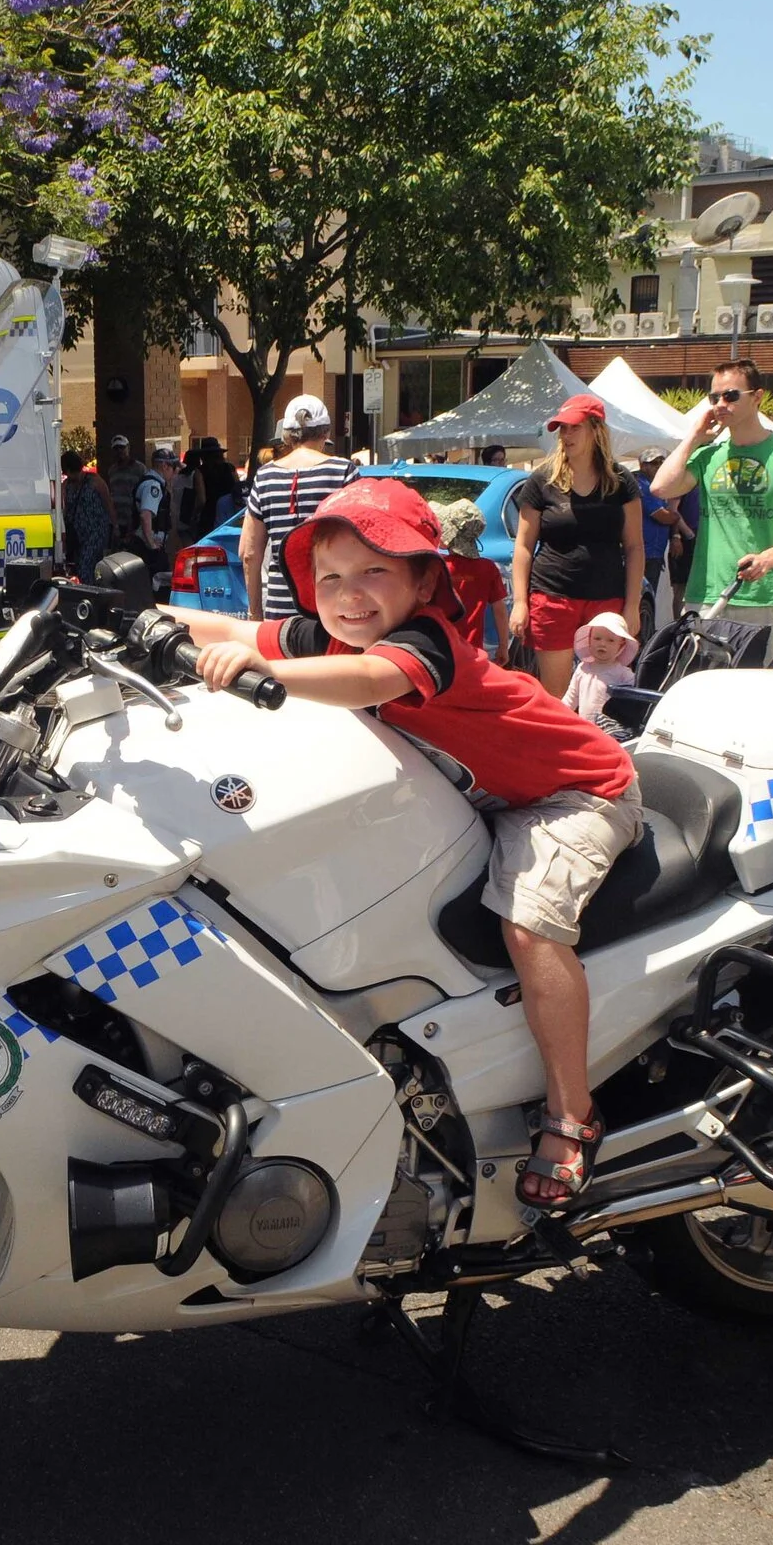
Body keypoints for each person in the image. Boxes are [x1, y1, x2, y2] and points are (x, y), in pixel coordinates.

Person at [172, 478, 642, 1211]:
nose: (348, 594)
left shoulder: (423, 643)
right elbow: (232, 631)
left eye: (374, 572)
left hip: (570, 793)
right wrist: (130, 617)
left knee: (528, 921)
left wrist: (268, 673)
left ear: (425, 580)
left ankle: (571, 1113)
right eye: (329, 577)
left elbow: (365, 679)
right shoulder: (330, 634)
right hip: (479, 794)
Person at [651, 359, 773, 659]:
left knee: (759, 693)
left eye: (730, 396)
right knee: (703, 687)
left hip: (767, 598)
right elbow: (660, 488)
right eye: (714, 397)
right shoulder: (708, 456)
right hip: (707, 594)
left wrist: (767, 559)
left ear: (757, 397)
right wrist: (693, 437)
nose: (720, 404)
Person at [506, 393, 645, 696]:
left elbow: (634, 547)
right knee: (555, 695)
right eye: (562, 429)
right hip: (553, 595)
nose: (566, 436)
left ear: (596, 430)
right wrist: (519, 602)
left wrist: (632, 605)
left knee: (602, 690)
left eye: (574, 428)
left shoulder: (621, 481)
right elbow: (524, 546)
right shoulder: (542, 480)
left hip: (606, 599)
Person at [241, 393, 358, 620]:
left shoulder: (265, 476)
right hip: (333, 610)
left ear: (286, 436)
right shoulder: (343, 471)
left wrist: (254, 613)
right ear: (326, 432)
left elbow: (249, 553)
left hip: (279, 613)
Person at [634, 447, 691, 621]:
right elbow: (664, 517)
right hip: (642, 552)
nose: (659, 466)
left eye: (661, 462)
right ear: (643, 466)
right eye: (654, 463)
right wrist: (674, 515)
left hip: (655, 553)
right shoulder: (641, 485)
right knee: (640, 600)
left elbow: (670, 515)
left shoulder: (660, 487)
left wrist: (675, 531)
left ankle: (644, 635)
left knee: (649, 597)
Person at [564, 611, 638, 724]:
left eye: (610, 640)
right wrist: (560, 714)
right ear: (589, 640)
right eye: (597, 639)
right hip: (586, 726)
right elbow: (571, 697)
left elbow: (634, 702)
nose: (602, 644)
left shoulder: (623, 674)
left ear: (621, 646)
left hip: (611, 729)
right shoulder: (583, 669)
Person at [61, 450, 112, 581]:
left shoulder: (95, 481)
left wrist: (115, 526)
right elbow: (63, 508)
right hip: (77, 534)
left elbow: (108, 503)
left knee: (86, 564)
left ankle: (88, 592)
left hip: (95, 532)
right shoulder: (66, 485)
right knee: (79, 565)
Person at [127, 445, 177, 567]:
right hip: (147, 547)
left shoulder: (152, 482)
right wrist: (151, 544)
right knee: (159, 581)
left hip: (147, 544)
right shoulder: (153, 485)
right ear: (165, 466)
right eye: (173, 467)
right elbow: (145, 515)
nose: (174, 472)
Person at [99, 434, 149, 548]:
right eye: (116, 448)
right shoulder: (112, 470)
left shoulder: (139, 468)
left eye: (122, 447)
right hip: (117, 518)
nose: (119, 451)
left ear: (128, 447)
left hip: (134, 518)